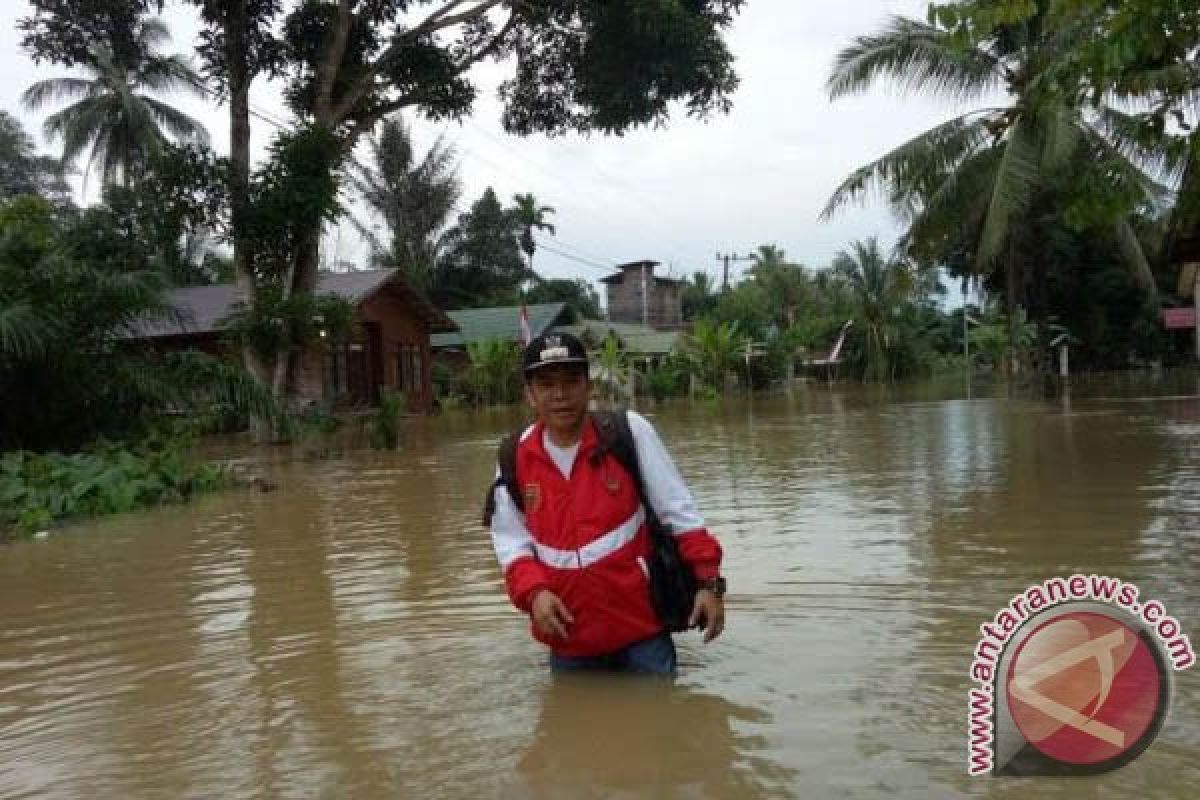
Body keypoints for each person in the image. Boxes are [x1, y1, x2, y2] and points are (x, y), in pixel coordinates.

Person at [486, 332, 726, 675]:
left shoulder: (628, 433)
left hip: (643, 635)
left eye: (571, 381)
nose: (560, 395)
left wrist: (709, 585)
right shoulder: (514, 457)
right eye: (546, 384)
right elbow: (511, 544)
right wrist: (534, 593)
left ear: (588, 386)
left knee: (663, 722)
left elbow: (680, 514)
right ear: (529, 394)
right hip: (569, 639)